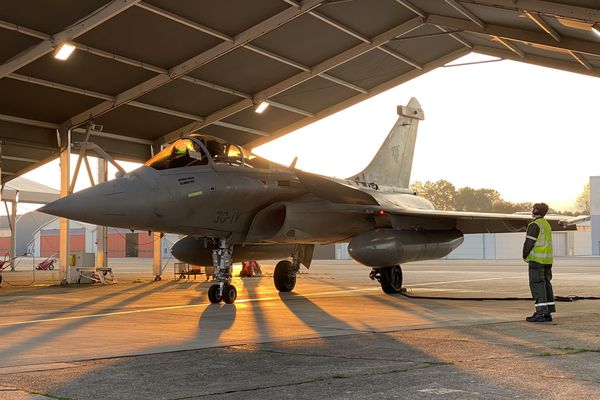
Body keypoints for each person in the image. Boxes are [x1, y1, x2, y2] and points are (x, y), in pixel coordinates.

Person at [522, 202, 555, 322]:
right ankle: (547, 313)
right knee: (546, 285)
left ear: (535, 211)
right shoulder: (546, 224)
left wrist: (525, 255)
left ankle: (540, 313)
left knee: (537, 285)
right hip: (547, 260)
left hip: (536, 260)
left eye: (533, 209)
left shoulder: (534, 225)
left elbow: (529, 243)